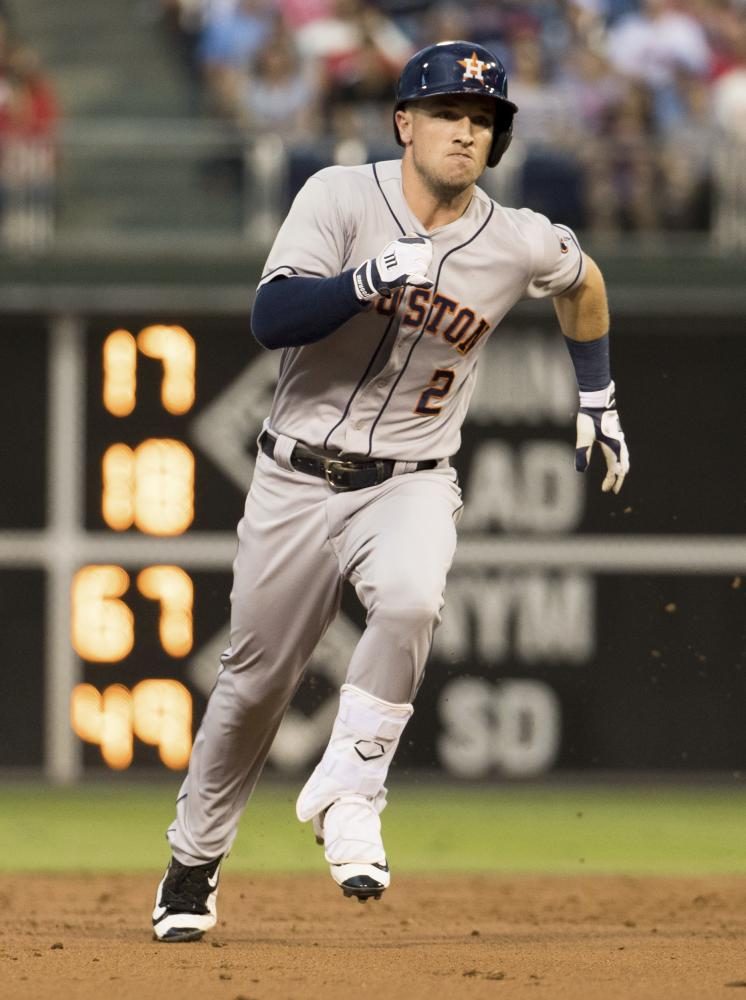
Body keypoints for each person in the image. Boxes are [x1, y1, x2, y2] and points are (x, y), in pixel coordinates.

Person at [152, 38, 630, 943]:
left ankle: (350, 793)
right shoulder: (337, 196)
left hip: (410, 480)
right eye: (448, 112)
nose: (465, 132)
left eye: (483, 120)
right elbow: (271, 317)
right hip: (296, 474)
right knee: (253, 690)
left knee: (411, 602)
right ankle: (193, 862)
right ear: (404, 122)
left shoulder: (517, 237)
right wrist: (363, 279)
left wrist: (598, 395)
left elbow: (584, 280)